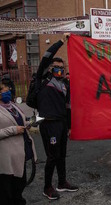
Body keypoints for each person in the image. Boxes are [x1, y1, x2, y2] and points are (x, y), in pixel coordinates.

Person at [36, 33, 78, 200]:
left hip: (61, 124)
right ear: (51, 68)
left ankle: (62, 183)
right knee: (52, 156)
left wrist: (68, 126)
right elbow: (47, 56)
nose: (59, 69)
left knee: (61, 155)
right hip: (48, 124)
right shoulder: (43, 79)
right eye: (56, 66)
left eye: (62, 67)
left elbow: (68, 107)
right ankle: (47, 187)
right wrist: (61, 41)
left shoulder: (65, 85)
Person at [0, 83, 37, 204]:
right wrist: (13, 130)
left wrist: (32, 122)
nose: (8, 93)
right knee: (6, 190)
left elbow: (21, 120)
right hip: (6, 156)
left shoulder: (13, 106)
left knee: (19, 185)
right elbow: (13, 127)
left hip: (21, 152)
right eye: (5, 91)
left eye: (8, 91)